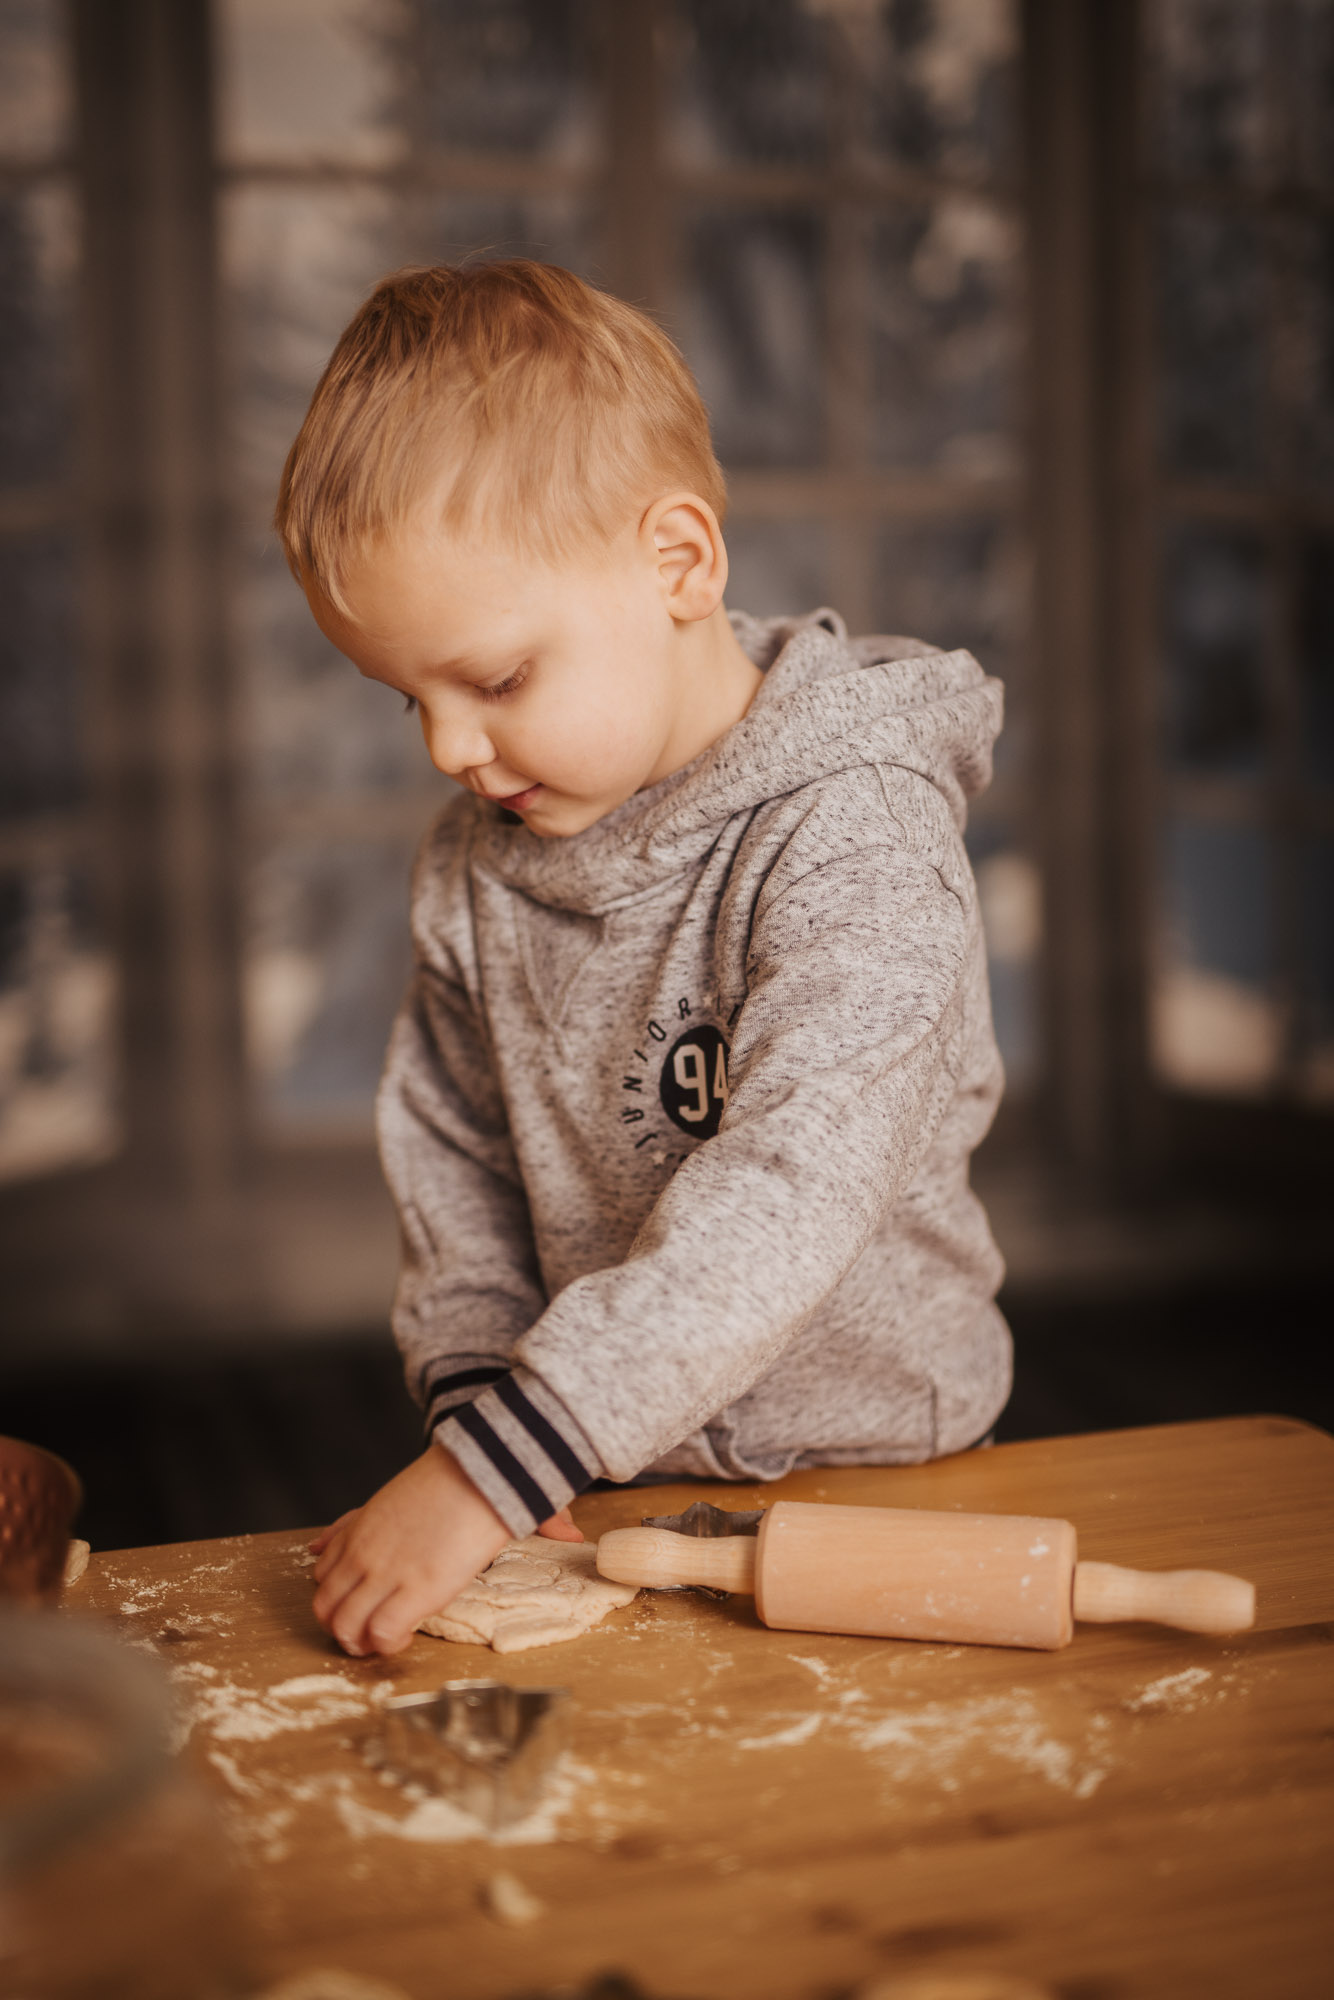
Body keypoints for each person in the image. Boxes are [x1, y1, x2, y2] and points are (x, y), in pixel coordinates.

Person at [275, 261, 1010, 1658]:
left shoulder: (855, 833)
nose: (445, 748)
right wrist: (485, 1411)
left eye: (492, 681)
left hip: (883, 1467)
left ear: (676, 561)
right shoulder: (474, 862)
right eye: (406, 696)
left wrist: (489, 1468)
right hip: (594, 1481)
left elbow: (794, 1185)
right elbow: (457, 1161)